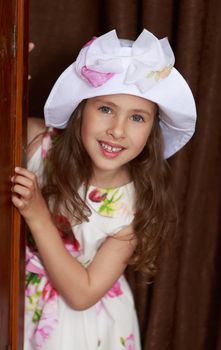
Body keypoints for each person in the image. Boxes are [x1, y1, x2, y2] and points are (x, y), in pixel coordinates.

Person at [11, 29, 196, 350]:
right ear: (81, 109)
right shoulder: (39, 143)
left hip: (85, 331)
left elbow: (83, 293)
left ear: (153, 130)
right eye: (106, 109)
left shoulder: (135, 205)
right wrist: (9, 81)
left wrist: (38, 216)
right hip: (14, 301)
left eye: (137, 117)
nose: (117, 130)